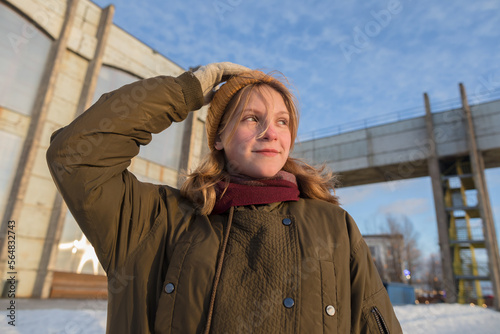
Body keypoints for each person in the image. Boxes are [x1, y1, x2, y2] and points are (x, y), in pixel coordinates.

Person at [47, 62, 402, 333]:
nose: (270, 133)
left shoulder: (333, 226)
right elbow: (75, 156)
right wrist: (184, 91)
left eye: (282, 121)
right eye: (252, 118)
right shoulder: (157, 222)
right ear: (219, 138)